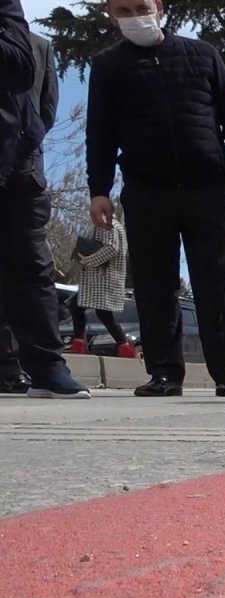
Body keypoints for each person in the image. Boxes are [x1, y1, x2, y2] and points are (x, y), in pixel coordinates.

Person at [87, 0, 225, 399]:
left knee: (215, 284)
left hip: (207, 188)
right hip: (147, 191)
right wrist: (99, 189)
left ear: (159, 7)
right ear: (111, 15)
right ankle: (164, 372)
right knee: (154, 285)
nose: (135, 15)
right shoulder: (108, 66)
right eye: (123, 9)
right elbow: (99, 131)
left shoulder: (202, 55)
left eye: (141, 6)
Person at [0, 0, 91, 399]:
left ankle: (47, 367)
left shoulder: (13, 19)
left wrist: (27, 138)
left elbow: (23, 71)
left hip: (16, 157)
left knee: (29, 263)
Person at [0, 28, 61, 395]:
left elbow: (47, 107)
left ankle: (37, 365)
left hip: (21, 166)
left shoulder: (37, 46)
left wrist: (24, 138)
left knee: (27, 266)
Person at [68, 210, 137, 359]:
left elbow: (111, 248)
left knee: (79, 305)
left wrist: (89, 259)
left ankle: (80, 343)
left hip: (102, 279)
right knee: (101, 313)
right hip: (100, 278)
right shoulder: (108, 225)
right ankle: (124, 347)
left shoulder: (107, 224)